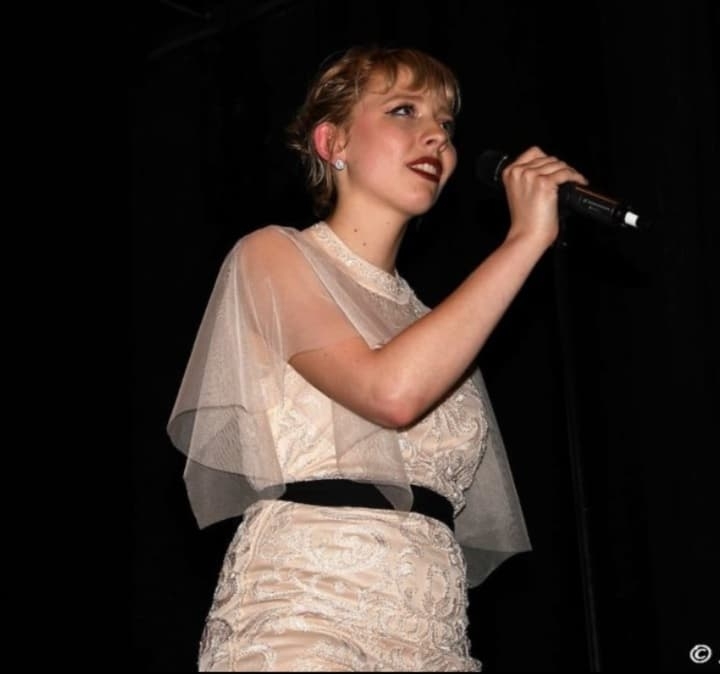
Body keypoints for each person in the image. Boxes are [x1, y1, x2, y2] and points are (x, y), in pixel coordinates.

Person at [167, 44, 588, 672]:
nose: (436, 137)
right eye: (404, 111)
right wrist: (526, 239)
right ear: (332, 141)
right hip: (306, 617)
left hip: (434, 637)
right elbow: (390, 394)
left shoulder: (434, 323)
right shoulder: (274, 255)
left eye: (446, 123)